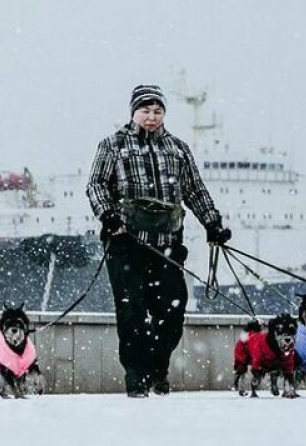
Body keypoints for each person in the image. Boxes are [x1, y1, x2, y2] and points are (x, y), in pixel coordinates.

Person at [86, 84, 231, 397]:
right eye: (145, 110)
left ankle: (157, 367)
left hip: (166, 244)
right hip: (125, 244)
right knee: (132, 312)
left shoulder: (177, 149)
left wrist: (212, 223)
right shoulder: (113, 145)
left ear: (164, 113)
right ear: (133, 113)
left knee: (172, 311)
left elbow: (194, 190)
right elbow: (96, 185)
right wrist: (108, 216)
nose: (151, 117)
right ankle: (137, 376)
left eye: (157, 110)